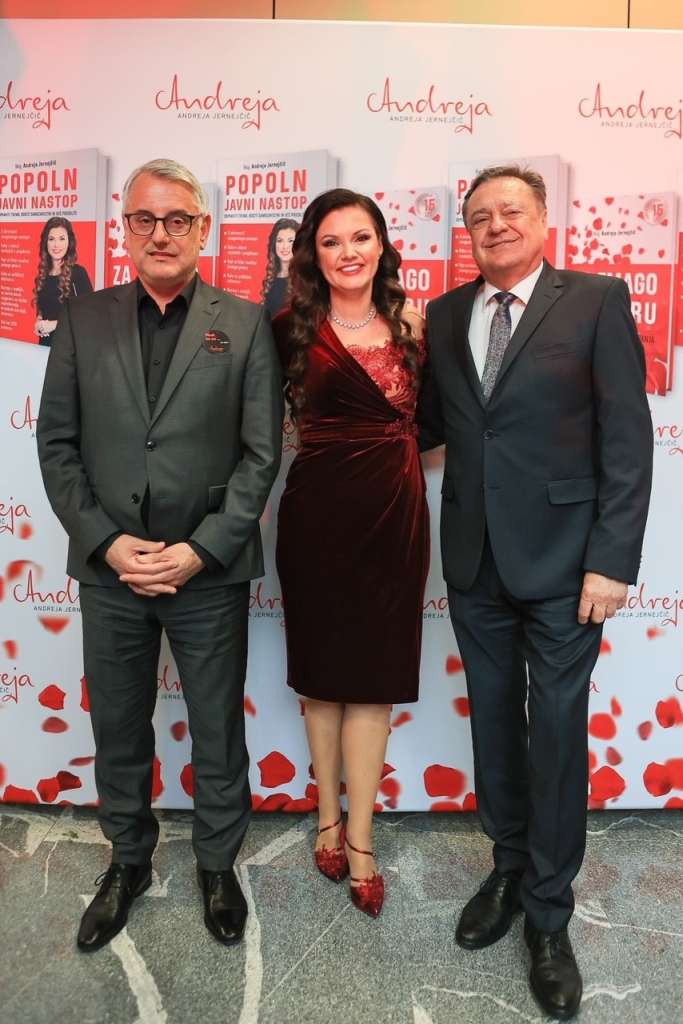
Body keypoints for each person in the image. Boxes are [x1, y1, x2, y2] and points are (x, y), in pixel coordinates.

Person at [417, 165, 652, 1019]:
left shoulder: (594, 300)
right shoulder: (444, 314)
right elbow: (432, 425)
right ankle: (509, 868)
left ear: (543, 218)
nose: (494, 226)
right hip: (474, 560)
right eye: (479, 216)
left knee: (552, 734)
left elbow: (626, 438)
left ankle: (549, 917)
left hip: (566, 567)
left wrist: (611, 562)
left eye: (509, 211)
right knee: (492, 726)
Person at [37, 158, 283, 952]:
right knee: (118, 724)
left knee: (216, 724)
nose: (161, 233)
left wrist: (201, 549)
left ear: (202, 229)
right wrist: (107, 543)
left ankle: (216, 864)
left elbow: (260, 456)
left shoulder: (243, 322)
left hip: (207, 571)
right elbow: (57, 446)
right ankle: (128, 861)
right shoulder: (83, 319)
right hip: (110, 569)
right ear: (124, 229)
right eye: (145, 219)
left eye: (178, 219)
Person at [273, 188, 429, 918]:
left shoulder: (414, 324)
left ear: (381, 244)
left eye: (360, 237)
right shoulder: (286, 329)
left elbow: (439, 422)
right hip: (315, 519)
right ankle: (325, 821)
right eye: (331, 241)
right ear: (313, 253)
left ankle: (360, 839)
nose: (348, 253)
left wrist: (389, 452)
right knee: (322, 680)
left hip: (394, 518)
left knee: (373, 681)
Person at [33, 216, 93, 345]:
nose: (56, 245)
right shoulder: (42, 275)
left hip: (69, 348)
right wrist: (39, 323)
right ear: (46, 242)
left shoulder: (78, 273)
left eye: (61, 239)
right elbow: (43, 311)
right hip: (45, 345)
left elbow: (88, 315)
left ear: (69, 242)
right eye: (51, 239)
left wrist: (54, 324)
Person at [261, 217, 298, 317]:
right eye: (280, 240)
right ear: (274, 244)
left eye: (290, 241)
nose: (285, 246)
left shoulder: (304, 279)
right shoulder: (271, 278)